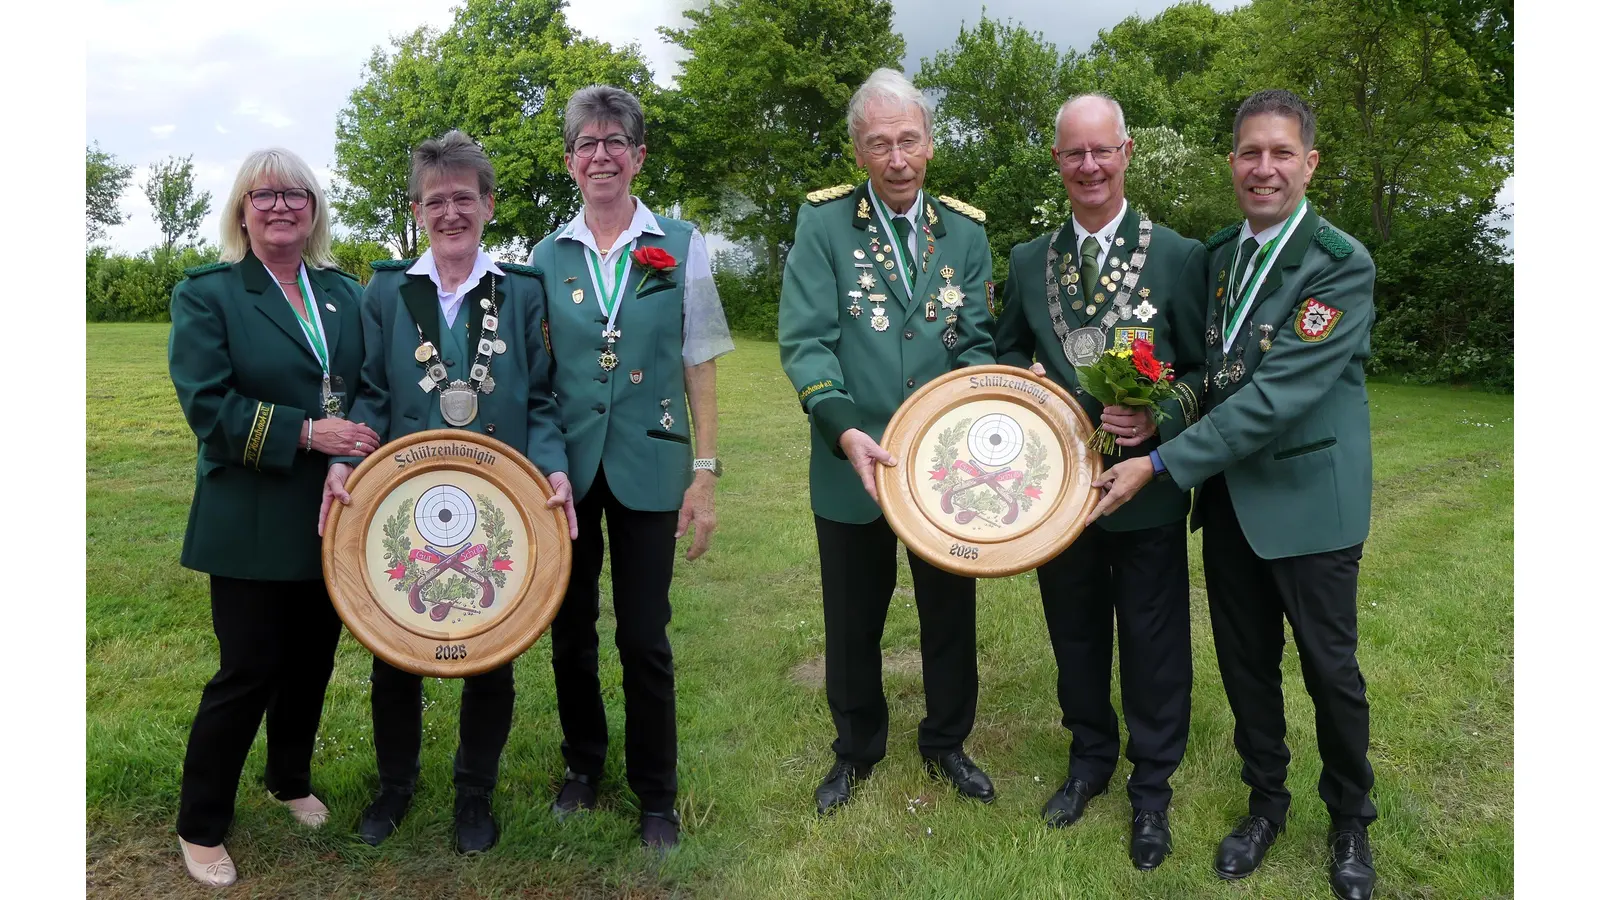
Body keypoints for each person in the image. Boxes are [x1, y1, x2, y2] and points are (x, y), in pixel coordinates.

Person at [1091, 89, 1379, 900]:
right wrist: (1155, 414)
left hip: (1308, 505)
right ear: (1232, 163)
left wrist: (1158, 464)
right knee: (1247, 667)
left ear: (1309, 163)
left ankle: (1351, 818)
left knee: (1329, 670)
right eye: (1251, 153)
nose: (1264, 168)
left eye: (1281, 153)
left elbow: (1273, 396)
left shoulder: (1338, 264)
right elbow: (1200, 374)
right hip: (1228, 505)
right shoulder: (1218, 259)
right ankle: (1266, 804)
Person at [319, 130, 577, 856]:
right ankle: (395, 787)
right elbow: (371, 393)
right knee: (393, 647)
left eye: (465, 197)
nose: (451, 212)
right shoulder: (386, 290)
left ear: (488, 205)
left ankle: (474, 795)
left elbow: (546, 400)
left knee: (490, 648)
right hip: (404, 507)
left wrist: (551, 466)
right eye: (437, 200)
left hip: (497, 507)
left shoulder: (522, 291)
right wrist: (347, 463)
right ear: (417, 210)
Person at [991, 94, 1207, 870]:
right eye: (1074, 154)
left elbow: (1207, 372)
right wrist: (1028, 379)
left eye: (1101, 152)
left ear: (1127, 152)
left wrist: (1160, 423)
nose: (1089, 166)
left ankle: (1152, 790)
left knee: (1152, 643)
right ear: (1058, 161)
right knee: (1074, 634)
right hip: (1058, 494)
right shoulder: (1025, 261)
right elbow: (1004, 355)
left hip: (1145, 487)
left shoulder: (1181, 256)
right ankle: (1088, 762)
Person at [778, 68, 997, 817]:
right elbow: (807, 342)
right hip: (851, 462)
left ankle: (946, 742)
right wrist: (843, 429)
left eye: (908, 140)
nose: (897, 158)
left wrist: (968, 410)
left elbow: (974, 343)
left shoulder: (965, 233)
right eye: (880, 144)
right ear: (858, 150)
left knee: (948, 610)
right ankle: (857, 747)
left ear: (930, 144)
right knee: (851, 616)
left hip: (943, 473)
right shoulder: (823, 225)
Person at [527, 84, 734, 852]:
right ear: (571, 162)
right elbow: (537, 374)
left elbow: (702, 361)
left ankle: (658, 795)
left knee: (644, 637)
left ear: (638, 156)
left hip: (651, 467)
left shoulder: (681, 244)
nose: (603, 154)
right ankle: (583, 767)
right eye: (588, 143)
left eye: (617, 141)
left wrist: (704, 473)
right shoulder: (545, 257)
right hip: (568, 477)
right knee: (571, 630)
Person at [167, 148, 378, 886]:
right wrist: (305, 431)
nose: (281, 206)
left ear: (314, 209)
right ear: (241, 209)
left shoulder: (345, 296)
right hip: (251, 517)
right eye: (264, 195)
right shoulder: (209, 295)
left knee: (312, 661)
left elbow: (367, 387)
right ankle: (200, 825)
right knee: (248, 669)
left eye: (296, 194)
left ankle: (288, 780)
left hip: (334, 510)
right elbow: (208, 407)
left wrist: (353, 445)